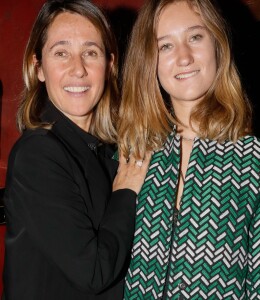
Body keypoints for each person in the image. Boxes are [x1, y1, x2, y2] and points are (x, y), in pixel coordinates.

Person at [117, 0, 260, 299]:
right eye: (165, 46)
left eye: (195, 37)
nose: (184, 57)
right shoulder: (131, 152)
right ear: (149, 61)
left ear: (217, 46)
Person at [3, 0, 151, 299]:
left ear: (109, 66)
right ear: (39, 68)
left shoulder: (108, 150)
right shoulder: (37, 154)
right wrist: (126, 192)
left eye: (90, 52)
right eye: (61, 53)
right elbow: (93, 272)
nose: (78, 69)